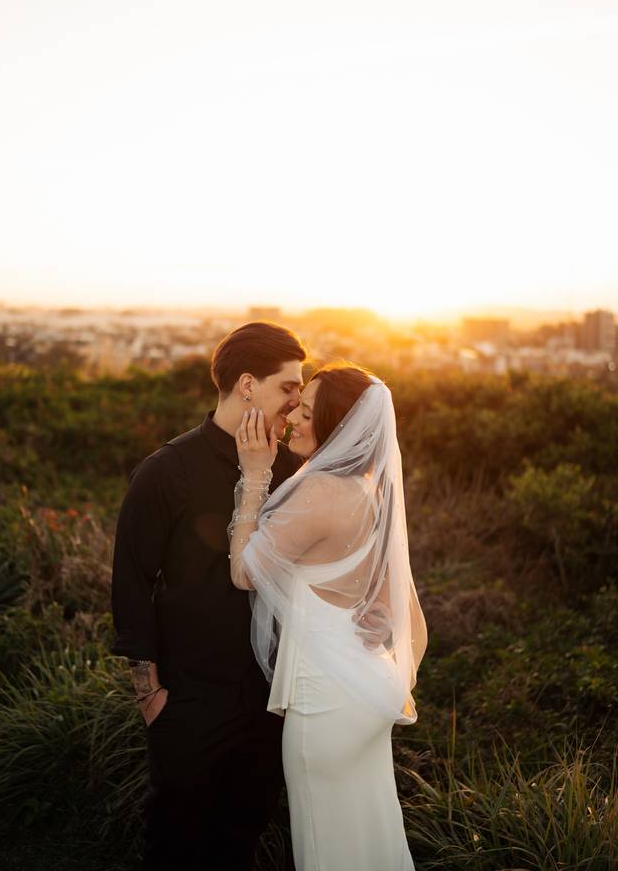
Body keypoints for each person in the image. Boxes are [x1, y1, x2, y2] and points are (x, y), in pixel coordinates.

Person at [110, 321, 307, 870]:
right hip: (189, 700)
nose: (296, 400)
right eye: (288, 386)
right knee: (174, 841)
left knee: (241, 837)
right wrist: (149, 695)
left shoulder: (295, 473)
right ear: (248, 384)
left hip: (269, 700)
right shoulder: (164, 472)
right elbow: (131, 584)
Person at [228, 362, 428, 871]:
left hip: (326, 706)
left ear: (338, 427)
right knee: (370, 837)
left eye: (308, 411)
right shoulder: (372, 494)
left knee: (324, 848)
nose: (293, 415)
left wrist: (254, 475)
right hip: (368, 695)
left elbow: (245, 574)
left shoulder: (320, 492)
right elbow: (415, 625)